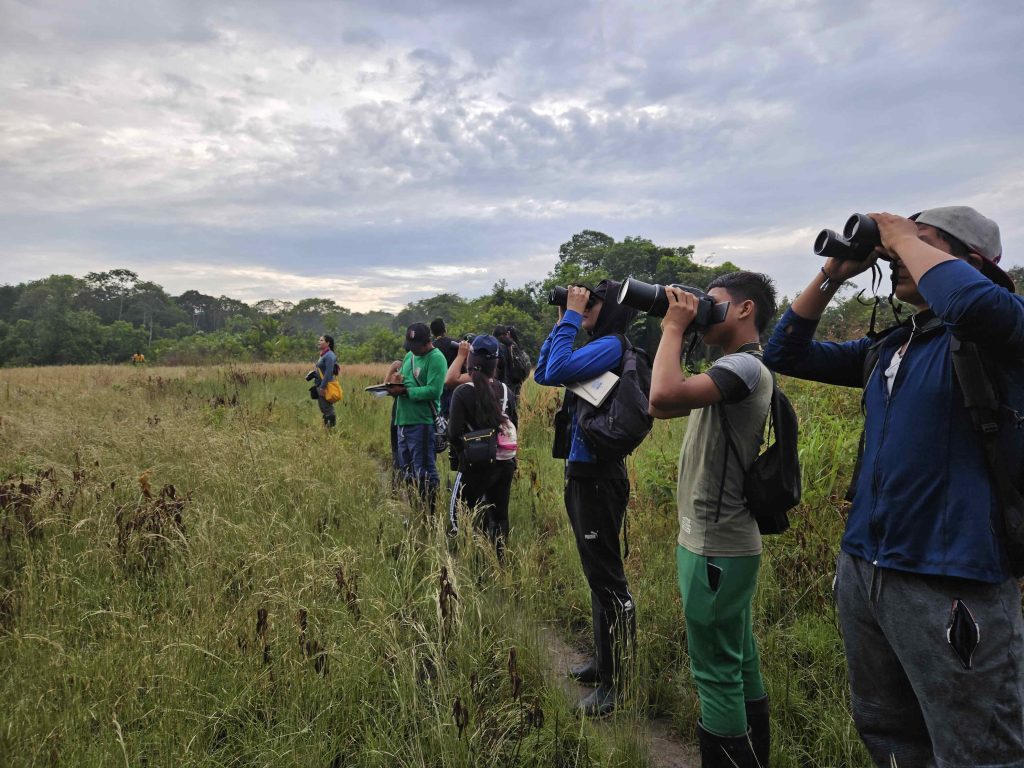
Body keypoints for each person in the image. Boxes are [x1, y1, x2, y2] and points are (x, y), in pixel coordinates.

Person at [763, 207, 1024, 767]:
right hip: (866, 568)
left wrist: (900, 231)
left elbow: (974, 303)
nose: (894, 255)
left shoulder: (1002, 328)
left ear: (971, 261)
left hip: (952, 575)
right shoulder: (893, 345)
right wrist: (835, 273)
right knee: (887, 733)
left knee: (977, 748)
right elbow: (785, 352)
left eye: (918, 245)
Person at [647, 273, 778, 767]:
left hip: (715, 544)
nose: (701, 309)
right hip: (722, 544)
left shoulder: (744, 366)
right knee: (738, 661)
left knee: (716, 672)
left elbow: (660, 399)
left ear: (745, 310)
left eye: (713, 303)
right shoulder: (735, 370)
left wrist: (674, 326)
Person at [534, 280, 638, 718]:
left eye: (592, 302)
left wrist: (573, 317)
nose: (583, 306)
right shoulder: (596, 347)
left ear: (610, 309)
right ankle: (603, 662)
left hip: (598, 475)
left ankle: (618, 683)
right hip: (585, 472)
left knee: (608, 580)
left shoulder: (612, 345)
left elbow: (557, 370)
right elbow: (543, 372)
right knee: (597, 575)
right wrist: (564, 320)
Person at [447, 335, 518, 558]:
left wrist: (463, 458)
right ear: (495, 363)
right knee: (500, 516)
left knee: (460, 516)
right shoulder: (506, 391)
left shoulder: (463, 392)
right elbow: (514, 425)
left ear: (470, 359)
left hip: (473, 464)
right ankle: (499, 560)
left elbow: (454, 433)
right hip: (504, 463)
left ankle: (466, 560)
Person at [387, 322, 447, 516]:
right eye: (410, 346)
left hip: (421, 422)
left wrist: (406, 391)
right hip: (402, 421)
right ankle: (416, 510)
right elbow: (404, 380)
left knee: (425, 471)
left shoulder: (436, 359)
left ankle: (429, 514)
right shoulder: (409, 356)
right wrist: (394, 384)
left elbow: (434, 390)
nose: (412, 351)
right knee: (407, 470)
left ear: (427, 342)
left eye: (416, 347)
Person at [431, 318, 461, 418]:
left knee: (440, 413)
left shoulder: (431, 347)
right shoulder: (456, 343)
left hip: (438, 384)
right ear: (445, 329)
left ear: (432, 332)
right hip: (454, 383)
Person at [314, 334, 339, 428]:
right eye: (319, 340)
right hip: (320, 384)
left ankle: (331, 431)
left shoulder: (329, 355)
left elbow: (328, 372)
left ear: (327, 343)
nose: (319, 342)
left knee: (327, 408)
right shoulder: (324, 354)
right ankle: (327, 430)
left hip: (325, 386)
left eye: (321, 340)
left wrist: (322, 387)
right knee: (324, 408)